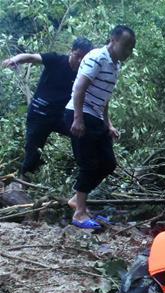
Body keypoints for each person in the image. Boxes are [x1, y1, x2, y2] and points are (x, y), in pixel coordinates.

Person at [64, 24, 135, 230]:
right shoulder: (97, 57)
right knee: (89, 163)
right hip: (81, 114)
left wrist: (108, 124)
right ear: (113, 40)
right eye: (126, 45)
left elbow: (104, 98)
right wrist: (78, 119)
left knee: (108, 163)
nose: (128, 51)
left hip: (95, 117)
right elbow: (79, 88)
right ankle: (79, 213)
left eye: (131, 48)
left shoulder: (115, 65)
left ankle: (76, 199)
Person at [1, 37, 93, 177]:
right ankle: (22, 183)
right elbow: (31, 57)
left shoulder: (84, 72)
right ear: (71, 51)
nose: (80, 60)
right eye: (77, 55)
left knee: (81, 134)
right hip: (39, 114)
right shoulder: (56, 59)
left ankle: (84, 171)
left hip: (61, 117)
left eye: (84, 57)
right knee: (33, 153)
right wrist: (14, 60)